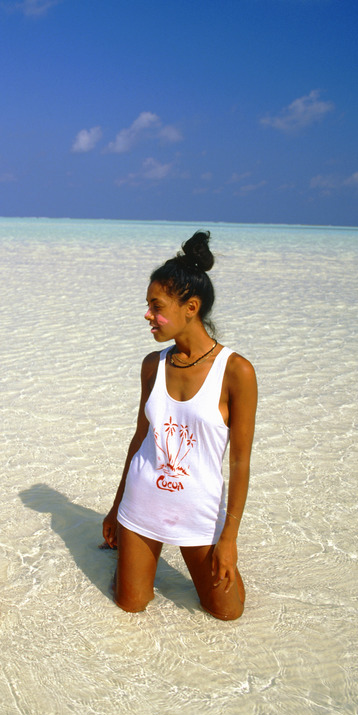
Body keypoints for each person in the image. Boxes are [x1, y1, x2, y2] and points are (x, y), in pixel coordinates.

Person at [102, 231, 257, 620]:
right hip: (143, 501)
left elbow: (240, 462)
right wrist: (116, 507)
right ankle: (130, 560)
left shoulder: (236, 371)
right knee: (130, 606)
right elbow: (140, 439)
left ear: (191, 307)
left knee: (227, 613)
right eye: (148, 306)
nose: (147, 315)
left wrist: (229, 539)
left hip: (198, 510)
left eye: (156, 306)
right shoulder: (152, 365)